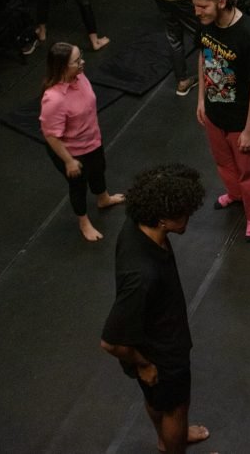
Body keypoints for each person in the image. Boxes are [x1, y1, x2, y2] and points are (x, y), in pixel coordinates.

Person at [100, 163, 209, 454]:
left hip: (153, 336)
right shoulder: (143, 275)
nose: (189, 217)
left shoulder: (137, 221)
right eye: (183, 213)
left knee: (156, 399)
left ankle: (166, 438)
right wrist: (144, 364)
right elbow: (110, 341)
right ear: (162, 219)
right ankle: (173, 442)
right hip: (161, 354)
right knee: (176, 409)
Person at [191, 0, 250, 242]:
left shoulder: (249, 34)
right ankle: (236, 196)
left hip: (242, 121)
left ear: (222, 2)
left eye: (203, 6)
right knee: (224, 163)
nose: (197, 12)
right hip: (215, 114)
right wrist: (201, 99)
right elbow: (204, 57)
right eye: (195, 6)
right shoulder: (206, 25)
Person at [39, 42, 124, 241]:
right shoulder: (54, 99)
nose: (82, 62)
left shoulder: (79, 76)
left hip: (92, 140)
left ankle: (103, 199)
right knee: (78, 185)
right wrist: (68, 161)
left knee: (98, 169)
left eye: (81, 57)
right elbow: (50, 135)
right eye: (77, 61)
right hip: (72, 152)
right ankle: (84, 222)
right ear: (62, 67)